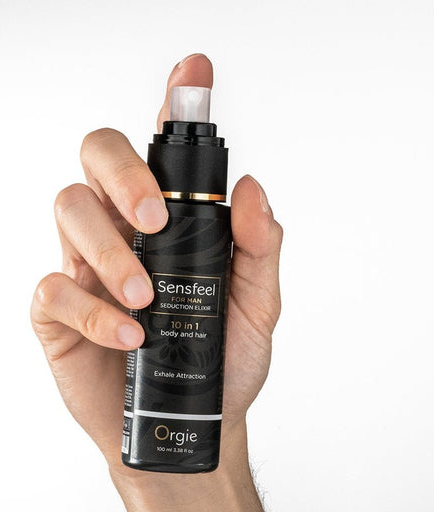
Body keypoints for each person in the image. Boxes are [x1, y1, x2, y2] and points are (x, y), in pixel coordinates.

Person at [30, 53, 283, 512]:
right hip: (142, 405)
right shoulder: (153, 229)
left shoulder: (215, 221)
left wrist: (202, 475)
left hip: (203, 423)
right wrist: (158, 488)